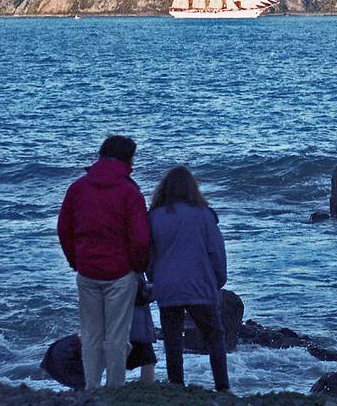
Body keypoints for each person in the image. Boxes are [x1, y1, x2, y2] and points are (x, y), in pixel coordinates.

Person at [57, 135, 150, 390]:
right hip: (120, 272)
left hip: (87, 270)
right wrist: (138, 267)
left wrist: (76, 261)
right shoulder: (129, 191)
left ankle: (91, 388)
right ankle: (114, 389)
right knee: (118, 336)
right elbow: (140, 238)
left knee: (91, 334)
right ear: (127, 158)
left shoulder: (78, 187)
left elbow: (64, 229)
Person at [147, 165, 230, 392]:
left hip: (168, 288)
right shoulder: (204, 214)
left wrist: (154, 278)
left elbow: (149, 256)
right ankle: (222, 387)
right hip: (200, 286)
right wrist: (218, 281)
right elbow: (216, 252)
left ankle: (176, 387)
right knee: (214, 336)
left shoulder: (154, 216)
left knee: (173, 340)